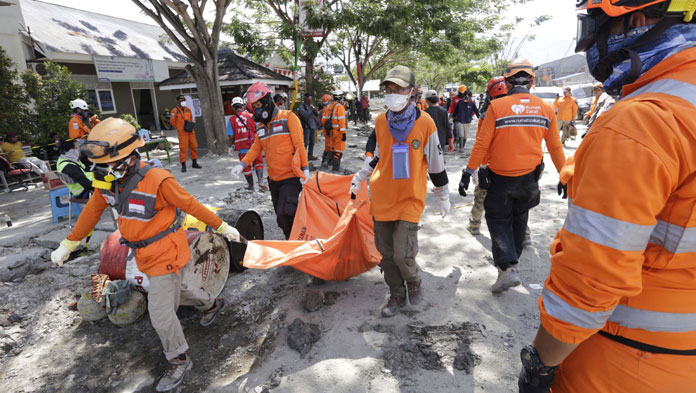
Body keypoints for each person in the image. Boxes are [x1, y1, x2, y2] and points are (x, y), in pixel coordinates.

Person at [519, 2, 696, 393]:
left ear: (634, 21)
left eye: (594, 27)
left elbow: (591, 282)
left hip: (629, 364)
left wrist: (539, 366)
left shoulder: (644, 119)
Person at [49, 117, 240, 392]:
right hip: (143, 254)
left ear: (127, 157)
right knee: (178, 289)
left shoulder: (158, 180)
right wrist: (69, 243)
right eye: (98, 166)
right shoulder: (107, 180)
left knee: (160, 312)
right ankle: (211, 304)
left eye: (106, 165)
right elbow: (91, 211)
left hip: (167, 251)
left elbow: (190, 204)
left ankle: (179, 359)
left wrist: (222, 226)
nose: (101, 171)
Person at [350, 65, 450, 317]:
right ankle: (396, 294)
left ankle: (413, 279)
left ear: (412, 92)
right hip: (382, 196)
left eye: (400, 89)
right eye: (389, 89)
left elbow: (436, 161)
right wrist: (361, 175)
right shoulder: (381, 121)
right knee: (386, 255)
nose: (393, 94)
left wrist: (443, 192)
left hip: (409, 198)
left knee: (403, 255)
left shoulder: (425, 123)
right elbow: (379, 155)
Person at [459, 58, 565, 294]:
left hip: (501, 179)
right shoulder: (546, 108)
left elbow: (482, 144)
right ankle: (511, 263)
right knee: (519, 219)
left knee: (498, 220)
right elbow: (556, 146)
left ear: (506, 83)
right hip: (529, 180)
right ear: (532, 81)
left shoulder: (497, 107)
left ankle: (507, 268)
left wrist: (468, 171)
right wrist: (564, 174)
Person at [231, 82, 309, 239]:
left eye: (258, 104)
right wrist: (241, 165)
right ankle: (292, 240)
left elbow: (299, 145)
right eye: (254, 106)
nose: (257, 108)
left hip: (291, 178)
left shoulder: (289, 118)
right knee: (281, 220)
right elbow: (255, 149)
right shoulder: (260, 126)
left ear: (267, 100)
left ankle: (297, 242)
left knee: (285, 213)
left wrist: (305, 169)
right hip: (274, 180)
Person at [465, 76, 507, 236]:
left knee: (481, 197)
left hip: (489, 165)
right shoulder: (518, 113)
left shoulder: (486, 115)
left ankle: (474, 225)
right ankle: (524, 233)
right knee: (514, 202)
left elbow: (481, 144)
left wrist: (474, 168)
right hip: (513, 167)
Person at [226, 97, 267, 191]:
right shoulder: (252, 116)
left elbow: (231, 137)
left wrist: (230, 147)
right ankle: (260, 181)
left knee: (246, 167)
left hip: (242, 147)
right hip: (254, 145)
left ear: (233, 107)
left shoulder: (231, 120)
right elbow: (259, 128)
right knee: (258, 163)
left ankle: (250, 185)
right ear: (243, 106)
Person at [170, 95, 201, 173]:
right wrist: (179, 126)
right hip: (182, 133)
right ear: (178, 102)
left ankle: (194, 163)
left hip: (190, 131)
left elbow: (190, 119)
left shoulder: (188, 110)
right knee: (183, 149)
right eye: (181, 101)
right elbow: (172, 122)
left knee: (194, 146)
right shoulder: (174, 111)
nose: (182, 102)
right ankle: (183, 166)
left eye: (183, 101)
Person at [321, 90, 347, 171]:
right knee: (339, 149)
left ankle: (326, 161)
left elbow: (323, 120)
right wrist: (343, 133)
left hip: (330, 132)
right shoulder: (340, 107)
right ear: (340, 97)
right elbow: (341, 121)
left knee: (332, 148)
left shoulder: (329, 106)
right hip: (338, 132)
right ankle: (335, 167)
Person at [449, 85, 480, 152]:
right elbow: (455, 109)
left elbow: (476, 111)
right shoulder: (459, 102)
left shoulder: (471, 103)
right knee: (460, 134)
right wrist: (453, 116)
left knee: (465, 136)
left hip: (467, 121)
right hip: (459, 120)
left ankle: (462, 146)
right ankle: (460, 147)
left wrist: (479, 117)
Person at [296, 92, 320, 161]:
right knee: (305, 143)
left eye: (311, 98)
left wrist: (316, 111)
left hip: (312, 126)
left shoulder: (311, 106)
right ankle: (301, 157)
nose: (311, 99)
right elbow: (305, 115)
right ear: (305, 98)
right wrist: (312, 110)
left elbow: (316, 114)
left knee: (312, 142)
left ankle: (310, 155)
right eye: (309, 98)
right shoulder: (301, 107)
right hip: (306, 127)